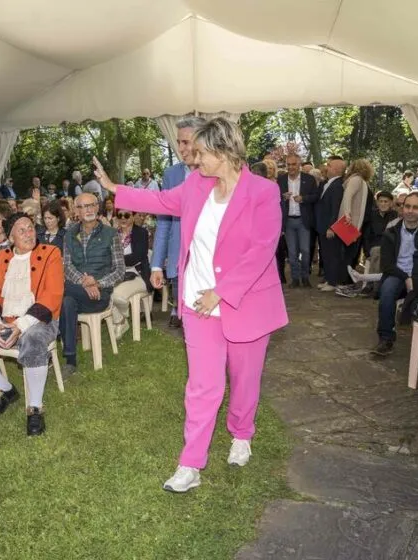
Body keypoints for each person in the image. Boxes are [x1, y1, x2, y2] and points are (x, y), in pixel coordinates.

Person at [95, 116, 288, 492]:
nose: (194, 160)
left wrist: (224, 289)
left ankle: (241, 433)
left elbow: (262, 248)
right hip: (199, 303)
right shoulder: (196, 184)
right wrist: (114, 188)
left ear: (223, 150)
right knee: (203, 386)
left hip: (245, 303)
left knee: (245, 380)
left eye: (200, 152)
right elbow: (160, 200)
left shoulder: (263, 192)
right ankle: (190, 464)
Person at [0, 213, 63, 435]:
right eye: (22, 230)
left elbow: (52, 295)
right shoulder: (1, 257)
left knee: (34, 338)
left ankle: (35, 407)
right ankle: (7, 389)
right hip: (5, 320)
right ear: (10, 237)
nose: (29, 233)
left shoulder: (51, 253)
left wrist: (21, 325)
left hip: (40, 319)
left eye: (31, 228)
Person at [59, 193, 125, 377]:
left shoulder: (110, 234)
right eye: (82, 207)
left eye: (91, 205)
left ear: (97, 208)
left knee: (59, 288)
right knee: (67, 302)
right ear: (76, 211)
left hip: (100, 296)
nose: (87, 210)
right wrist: (84, 282)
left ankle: (51, 329)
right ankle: (70, 360)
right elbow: (67, 266)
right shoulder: (69, 235)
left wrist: (98, 282)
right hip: (77, 291)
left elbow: (120, 269)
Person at [154, 116, 206, 329]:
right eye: (179, 142)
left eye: (186, 142)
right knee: (189, 325)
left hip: (209, 260)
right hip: (179, 260)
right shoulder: (171, 174)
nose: (181, 148)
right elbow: (163, 221)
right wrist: (157, 263)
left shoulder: (218, 172)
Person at [372, 192, 418, 356]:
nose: (410, 211)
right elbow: (387, 265)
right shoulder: (391, 231)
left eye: (415, 207)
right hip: (397, 273)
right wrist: (406, 278)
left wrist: (417, 278)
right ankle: (386, 338)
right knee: (387, 292)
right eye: (407, 206)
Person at [279, 153, 319, 288]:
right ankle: (295, 278)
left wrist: (303, 199)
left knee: (305, 250)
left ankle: (305, 277)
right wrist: (282, 197)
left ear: (299, 165)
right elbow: (274, 198)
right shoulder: (281, 179)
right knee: (292, 252)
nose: (291, 167)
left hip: (304, 220)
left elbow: (315, 196)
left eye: (294, 164)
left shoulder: (309, 179)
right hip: (288, 220)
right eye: (288, 164)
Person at [110, 210, 151, 339]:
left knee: (115, 296)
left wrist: (116, 260)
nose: (123, 218)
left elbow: (137, 256)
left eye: (127, 215)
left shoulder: (141, 233)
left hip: (138, 274)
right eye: (119, 215)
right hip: (118, 274)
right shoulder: (112, 234)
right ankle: (120, 321)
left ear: (133, 217)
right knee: (105, 293)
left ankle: (120, 320)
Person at [336, 158, 373, 289]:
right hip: (352, 223)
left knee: (351, 253)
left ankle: (346, 280)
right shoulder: (357, 180)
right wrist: (347, 214)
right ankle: (344, 281)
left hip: (354, 222)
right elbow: (348, 196)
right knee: (349, 253)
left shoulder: (358, 180)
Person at [316, 156, 346, 291]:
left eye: (328, 165)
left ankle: (333, 282)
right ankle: (328, 279)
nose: (326, 168)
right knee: (326, 254)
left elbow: (336, 207)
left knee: (332, 254)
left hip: (330, 227)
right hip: (322, 225)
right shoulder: (329, 183)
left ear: (335, 169)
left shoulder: (338, 185)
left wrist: (331, 227)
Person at [362, 191, 398, 276]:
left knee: (380, 253)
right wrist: (367, 253)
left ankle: (372, 284)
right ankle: (373, 284)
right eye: (381, 201)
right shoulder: (371, 215)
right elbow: (366, 236)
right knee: (376, 251)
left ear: (391, 203)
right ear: (377, 203)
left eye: (386, 201)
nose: (383, 204)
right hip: (374, 246)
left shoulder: (395, 215)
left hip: (390, 247)